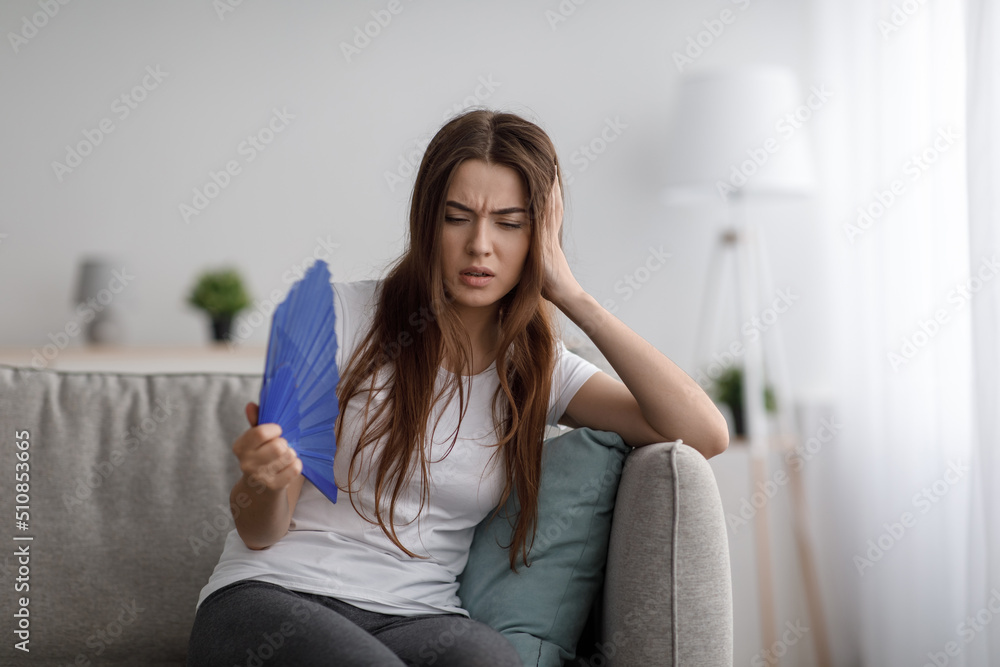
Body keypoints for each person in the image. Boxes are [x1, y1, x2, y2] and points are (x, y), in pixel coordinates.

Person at [186, 109, 729, 667]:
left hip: (421, 619)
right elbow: (259, 531)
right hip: (273, 596)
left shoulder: (538, 370)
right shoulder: (333, 318)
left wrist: (573, 296)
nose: (480, 245)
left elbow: (703, 433)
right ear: (427, 222)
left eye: (510, 222)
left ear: (541, 236)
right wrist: (263, 481)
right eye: (457, 217)